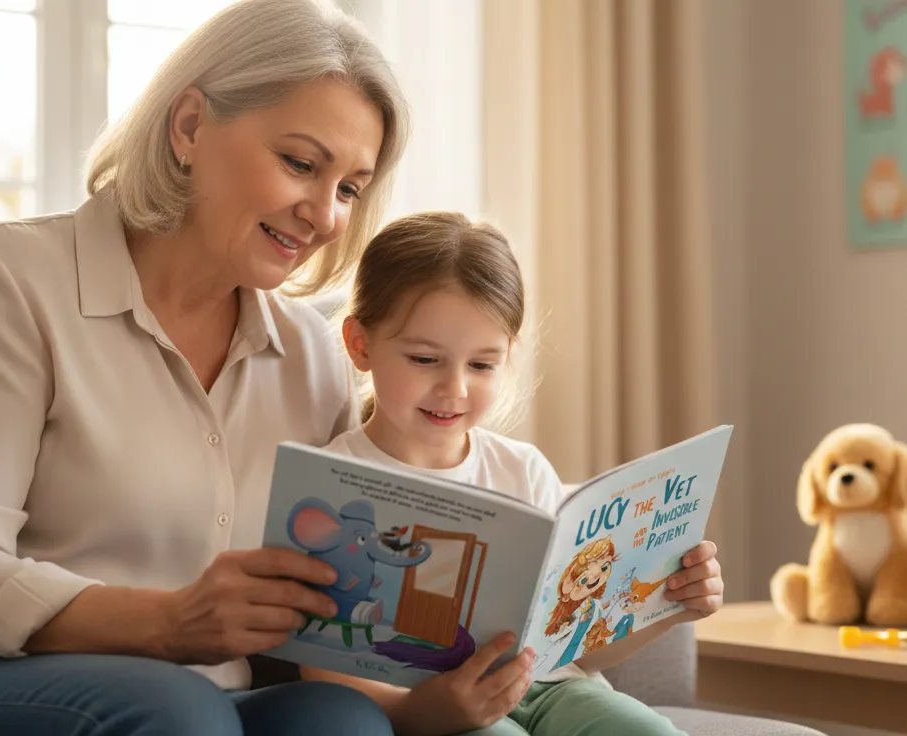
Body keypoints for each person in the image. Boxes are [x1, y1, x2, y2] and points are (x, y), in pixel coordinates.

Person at [0, 1, 411, 733]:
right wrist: (168, 623)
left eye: (350, 187)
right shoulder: (11, 280)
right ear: (190, 125)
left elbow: (328, 597)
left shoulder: (313, 357)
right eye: (300, 163)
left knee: (337, 720)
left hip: (194, 698)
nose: (324, 214)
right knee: (179, 710)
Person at [301, 212, 725, 736]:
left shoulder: (522, 469)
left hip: (554, 687)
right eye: (425, 358)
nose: (454, 388)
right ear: (360, 345)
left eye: (481, 365)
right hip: (433, 704)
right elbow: (323, 669)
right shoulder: (334, 480)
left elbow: (579, 649)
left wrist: (670, 607)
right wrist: (425, 713)